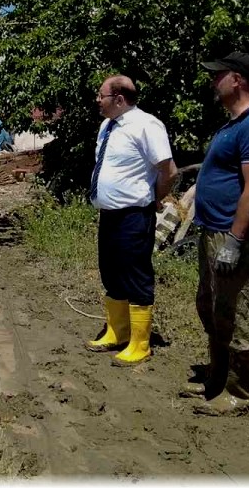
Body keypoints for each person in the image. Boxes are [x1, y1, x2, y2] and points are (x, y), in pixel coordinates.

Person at [186, 52, 249, 415]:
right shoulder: (234, 123)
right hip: (213, 231)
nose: (214, 81)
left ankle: (241, 393)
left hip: (233, 235)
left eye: (218, 75)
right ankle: (217, 376)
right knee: (211, 307)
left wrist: (236, 241)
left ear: (238, 79)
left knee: (240, 311)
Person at [85, 75, 178, 366]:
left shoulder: (147, 125)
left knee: (135, 274)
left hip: (134, 215)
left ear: (119, 99)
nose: (97, 101)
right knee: (110, 272)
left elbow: (168, 170)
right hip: (109, 215)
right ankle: (117, 332)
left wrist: (156, 197)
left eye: (101, 96)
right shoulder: (107, 126)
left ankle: (140, 343)